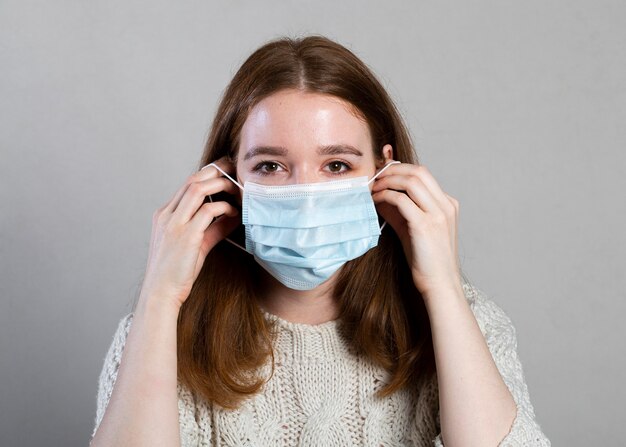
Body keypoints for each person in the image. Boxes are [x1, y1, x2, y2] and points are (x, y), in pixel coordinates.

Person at [89, 35, 551, 446]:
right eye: (270, 166)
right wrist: (160, 296)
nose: (306, 201)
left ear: (385, 170)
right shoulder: (157, 333)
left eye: (336, 166)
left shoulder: (469, 323)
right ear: (228, 179)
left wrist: (443, 288)